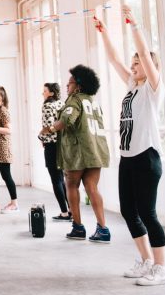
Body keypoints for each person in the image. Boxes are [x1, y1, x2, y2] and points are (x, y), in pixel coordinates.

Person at [95, 7, 165, 285]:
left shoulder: (153, 88)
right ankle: (146, 260)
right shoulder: (132, 85)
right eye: (134, 63)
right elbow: (114, 59)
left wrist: (134, 26)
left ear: (150, 67)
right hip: (127, 158)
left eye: (138, 63)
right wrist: (103, 32)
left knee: (148, 214)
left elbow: (145, 56)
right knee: (129, 211)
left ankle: (161, 269)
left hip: (147, 157)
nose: (134, 66)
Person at [44, 65, 111, 243]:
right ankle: (103, 229)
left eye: (70, 83)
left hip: (77, 152)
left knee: (71, 185)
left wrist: (49, 129)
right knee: (92, 187)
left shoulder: (74, 100)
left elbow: (67, 120)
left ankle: (78, 227)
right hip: (96, 150)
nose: (67, 87)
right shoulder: (94, 102)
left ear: (79, 86)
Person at [37, 82, 70, 221]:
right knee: (62, 179)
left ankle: (64, 212)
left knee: (55, 180)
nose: (43, 93)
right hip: (62, 145)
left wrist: (41, 136)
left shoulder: (47, 105)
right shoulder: (61, 104)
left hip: (51, 145)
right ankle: (71, 211)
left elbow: (48, 127)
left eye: (44, 91)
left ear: (51, 93)